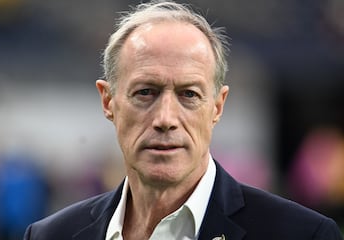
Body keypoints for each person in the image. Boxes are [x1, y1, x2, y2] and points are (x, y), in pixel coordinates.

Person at [24, 1, 343, 239]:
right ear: (108, 101)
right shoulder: (50, 235)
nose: (165, 118)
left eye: (189, 94)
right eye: (145, 92)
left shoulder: (302, 234)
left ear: (217, 107)